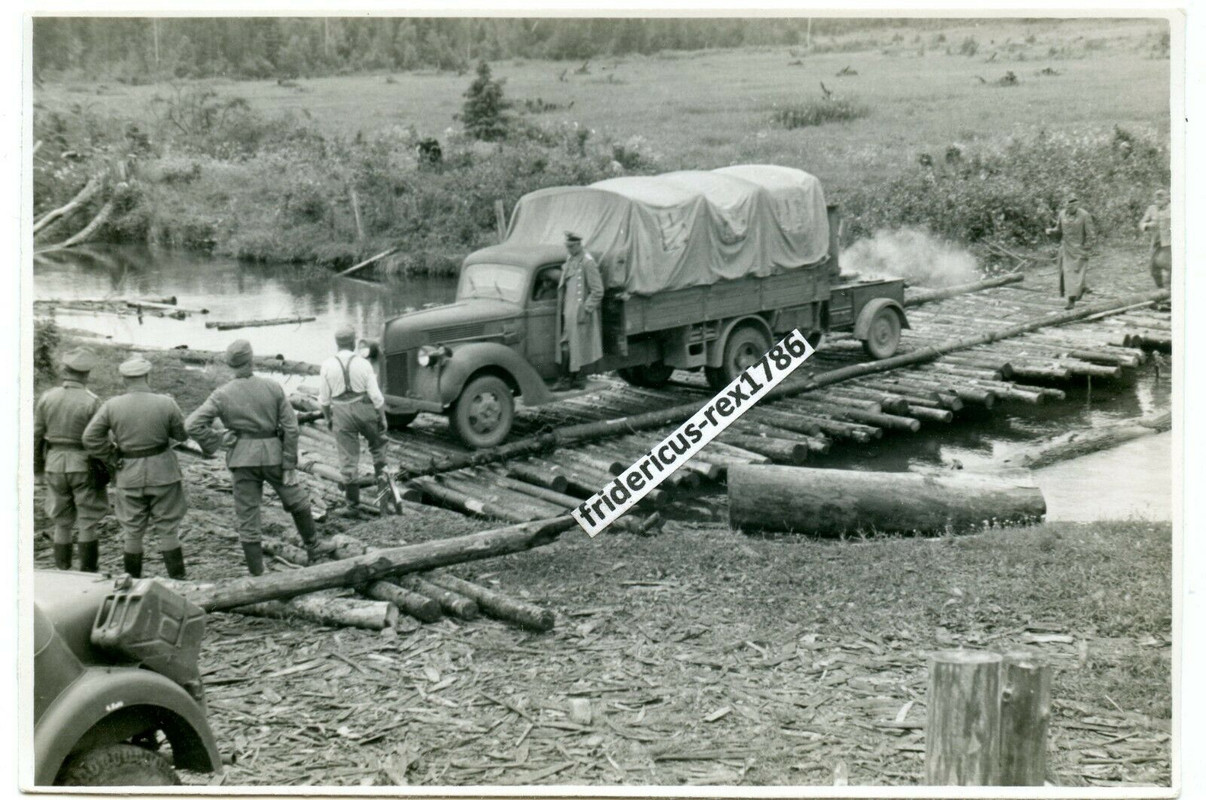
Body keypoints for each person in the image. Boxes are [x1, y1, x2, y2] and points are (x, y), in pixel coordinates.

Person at [185, 339, 321, 576]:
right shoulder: (273, 387)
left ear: (230, 364)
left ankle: (257, 573)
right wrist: (289, 463)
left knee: (248, 515)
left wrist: (218, 439)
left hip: (242, 459)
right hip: (274, 456)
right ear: (251, 360)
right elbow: (291, 428)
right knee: (297, 500)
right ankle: (314, 547)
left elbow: (192, 425)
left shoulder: (221, 394)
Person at [82, 355, 189, 579]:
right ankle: (179, 585)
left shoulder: (112, 405)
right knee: (168, 530)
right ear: (147, 376)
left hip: (128, 474)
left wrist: (111, 455)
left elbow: (90, 438)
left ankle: (133, 584)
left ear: (124, 379)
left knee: (132, 532)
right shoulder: (166, 402)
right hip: (164, 474)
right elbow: (181, 434)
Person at [33, 348, 108, 571]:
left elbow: (36, 436)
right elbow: (101, 438)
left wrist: (37, 469)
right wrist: (107, 468)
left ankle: (62, 571)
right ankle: (86, 573)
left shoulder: (47, 398)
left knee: (61, 521)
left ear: (65, 370)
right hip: (84, 463)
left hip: (54, 462)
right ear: (86, 374)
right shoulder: (93, 401)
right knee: (88, 521)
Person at [319, 325, 389, 507]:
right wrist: (382, 418)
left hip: (341, 412)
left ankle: (352, 504)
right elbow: (376, 396)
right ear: (353, 342)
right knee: (378, 447)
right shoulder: (363, 364)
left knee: (348, 458)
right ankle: (384, 497)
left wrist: (328, 419)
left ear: (337, 344)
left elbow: (324, 400)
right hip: (364, 409)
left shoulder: (327, 365)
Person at [557, 231, 604, 390]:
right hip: (568, 311)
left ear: (578, 244)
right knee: (567, 345)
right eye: (567, 246)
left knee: (576, 346)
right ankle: (568, 379)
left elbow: (598, 290)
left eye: (571, 246)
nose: (568, 249)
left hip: (579, 312)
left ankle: (573, 380)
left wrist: (586, 309)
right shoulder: (571, 259)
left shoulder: (587, 262)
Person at [1046, 194, 1096, 309]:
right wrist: (1051, 231)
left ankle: (1072, 299)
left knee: (1075, 274)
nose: (1069, 209)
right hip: (1065, 248)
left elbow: (1091, 234)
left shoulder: (1084, 215)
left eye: (1071, 207)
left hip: (1078, 249)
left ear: (1076, 205)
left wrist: (1087, 248)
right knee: (1067, 273)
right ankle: (1076, 293)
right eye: (1067, 207)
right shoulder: (1062, 214)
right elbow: (1059, 230)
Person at [1139, 188, 1172, 289]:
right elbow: (1142, 223)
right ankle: (1161, 289)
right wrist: (1147, 225)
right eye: (1156, 200)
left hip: (1170, 242)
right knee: (1153, 268)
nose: (1158, 202)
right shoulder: (1151, 209)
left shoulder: (1174, 208)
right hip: (1157, 242)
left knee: (1169, 264)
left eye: (1161, 199)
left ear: (1167, 199)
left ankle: (1171, 288)